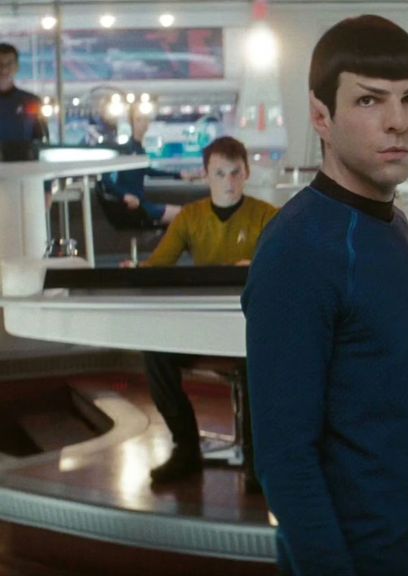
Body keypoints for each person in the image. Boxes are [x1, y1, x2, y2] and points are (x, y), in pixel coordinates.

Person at [242, 15, 408, 576]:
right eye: (369, 101)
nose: (398, 122)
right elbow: (285, 460)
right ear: (321, 116)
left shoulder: (393, 226)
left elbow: (407, 412)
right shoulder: (299, 247)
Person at [135, 136, 278, 485]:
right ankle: (186, 449)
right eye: (220, 173)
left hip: (252, 327)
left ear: (246, 173)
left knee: (255, 360)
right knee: (156, 353)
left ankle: (258, 461)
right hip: (204, 327)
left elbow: (288, 267)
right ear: (206, 175)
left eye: (235, 172)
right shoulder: (190, 217)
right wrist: (136, 271)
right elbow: (158, 267)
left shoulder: (267, 216)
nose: (228, 182)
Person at [101, 103, 188, 225]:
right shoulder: (126, 149)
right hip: (134, 207)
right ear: (132, 123)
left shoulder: (139, 148)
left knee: (185, 215)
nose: (143, 123)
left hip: (141, 203)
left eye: (145, 119)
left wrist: (179, 175)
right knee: (184, 215)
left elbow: (148, 171)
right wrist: (125, 196)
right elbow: (106, 179)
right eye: (138, 120)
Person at [0, 42, 48, 155]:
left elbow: (41, 140)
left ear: (17, 67)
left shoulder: (32, 101)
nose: (3, 69)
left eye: (9, 64)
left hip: (24, 164)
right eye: (0, 64)